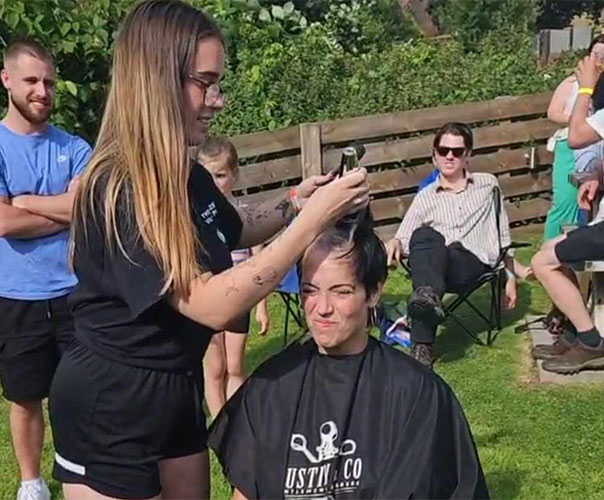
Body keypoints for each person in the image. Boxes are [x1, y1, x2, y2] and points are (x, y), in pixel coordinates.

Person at [47, 2, 369, 499]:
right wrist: (312, 221)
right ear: (158, 80)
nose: (216, 100)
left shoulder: (185, 171)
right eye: (205, 82)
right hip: (111, 400)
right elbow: (210, 302)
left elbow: (233, 229)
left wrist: (294, 202)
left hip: (174, 385)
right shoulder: (119, 188)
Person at [209, 215, 489, 500]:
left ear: (374, 292)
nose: (322, 308)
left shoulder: (417, 394)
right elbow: (244, 494)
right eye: (310, 291)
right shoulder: (270, 387)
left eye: (341, 292)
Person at [0, 38, 92, 500]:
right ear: (7, 79)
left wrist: (26, 200)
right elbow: (0, 222)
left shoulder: (74, 146)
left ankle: (83, 469)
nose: (42, 91)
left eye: (49, 82)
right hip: (16, 295)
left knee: (82, 391)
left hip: (76, 292)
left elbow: (88, 211)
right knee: (25, 397)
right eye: (32, 80)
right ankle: (32, 482)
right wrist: (59, 207)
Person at [530, 25, 604, 375]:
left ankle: (591, 343)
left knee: (544, 261)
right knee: (561, 248)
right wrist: (599, 176)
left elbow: (576, 137)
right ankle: (578, 332)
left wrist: (586, 87)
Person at [386, 122, 521, 368]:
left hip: (471, 263)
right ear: (434, 154)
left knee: (442, 255)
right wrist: (394, 241)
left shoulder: (487, 184)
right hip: (437, 267)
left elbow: (502, 232)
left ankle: (422, 339)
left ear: (467, 155)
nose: (450, 156)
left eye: (457, 151)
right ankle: (426, 312)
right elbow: (403, 238)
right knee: (425, 235)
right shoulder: (425, 196)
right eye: (443, 150)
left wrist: (510, 276)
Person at [193, 136, 270, 418]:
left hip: (240, 299)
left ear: (234, 175)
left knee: (235, 365)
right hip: (210, 297)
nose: (215, 183)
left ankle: (236, 419)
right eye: (208, 175)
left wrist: (261, 306)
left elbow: (258, 262)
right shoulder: (195, 216)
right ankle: (219, 423)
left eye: (222, 175)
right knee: (214, 367)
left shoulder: (243, 215)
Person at [543, 34, 604, 241]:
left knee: (589, 202)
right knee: (565, 201)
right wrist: (581, 120)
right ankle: (550, 248)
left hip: (599, 146)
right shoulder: (573, 82)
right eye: (596, 54)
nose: (600, 59)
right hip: (570, 144)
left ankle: (578, 254)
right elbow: (553, 112)